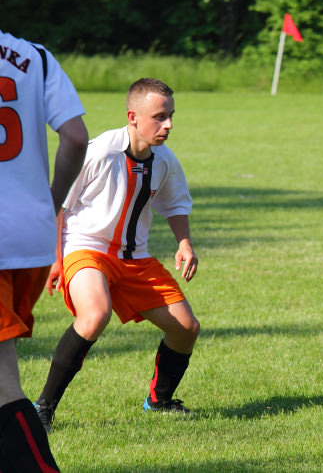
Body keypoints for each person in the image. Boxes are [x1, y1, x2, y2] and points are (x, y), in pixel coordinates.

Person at [34, 78, 200, 434]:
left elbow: (176, 204)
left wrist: (183, 242)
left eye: (171, 116)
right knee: (95, 316)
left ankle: (159, 402)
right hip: (87, 250)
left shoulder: (164, 160)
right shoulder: (98, 152)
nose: (168, 125)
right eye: (159, 117)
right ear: (132, 117)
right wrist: (55, 257)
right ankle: (42, 408)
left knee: (186, 329)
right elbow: (59, 202)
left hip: (135, 259)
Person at [0, 28, 88, 471]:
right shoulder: (34, 56)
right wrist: (49, 201)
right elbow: (74, 136)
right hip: (29, 238)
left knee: (2, 381)